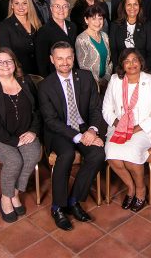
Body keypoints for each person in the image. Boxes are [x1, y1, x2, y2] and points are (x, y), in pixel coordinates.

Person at [38, 41, 106, 231]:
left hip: (85, 127)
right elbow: (51, 120)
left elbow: (95, 108)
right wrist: (79, 136)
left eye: (68, 57)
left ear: (74, 57)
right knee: (66, 154)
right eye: (60, 58)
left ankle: (74, 200)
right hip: (59, 131)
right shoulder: (46, 86)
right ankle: (57, 207)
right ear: (52, 60)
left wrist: (92, 130)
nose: (65, 62)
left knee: (98, 154)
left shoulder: (85, 77)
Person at [0, 48, 42, 223]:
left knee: (33, 154)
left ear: (15, 64)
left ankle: (13, 194)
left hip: (25, 132)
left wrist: (33, 131)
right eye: (0, 62)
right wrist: (13, 141)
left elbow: (37, 111)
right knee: (14, 160)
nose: (5, 65)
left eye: (9, 61)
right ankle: (6, 200)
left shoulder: (26, 81)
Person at [102, 48, 151, 212]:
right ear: (122, 65)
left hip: (145, 128)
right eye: (127, 61)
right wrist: (118, 124)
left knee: (130, 156)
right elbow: (106, 109)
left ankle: (141, 190)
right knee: (112, 154)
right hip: (119, 127)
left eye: (135, 60)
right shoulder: (115, 80)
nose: (131, 64)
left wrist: (136, 128)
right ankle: (130, 187)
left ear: (140, 62)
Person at [0, 0, 42, 75]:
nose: (21, 7)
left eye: (24, 3)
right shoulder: (5, 25)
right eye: (17, 3)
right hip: (19, 74)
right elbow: (5, 53)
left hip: (39, 72)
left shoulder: (37, 23)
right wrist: (17, 70)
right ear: (12, 5)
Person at [109, 0, 151, 72]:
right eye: (129, 4)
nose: (132, 7)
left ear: (140, 6)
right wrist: (119, 70)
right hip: (121, 71)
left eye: (135, 4)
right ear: (124, 6)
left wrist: (143, 71)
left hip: (143, 70)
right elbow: (113, 51)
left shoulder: (147, 25)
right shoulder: (115, 25)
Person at [35, 0, 78, 77]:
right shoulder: (44, 31)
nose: (61, 9)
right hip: (54, 76)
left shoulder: (72, 26)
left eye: (65, 6)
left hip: (72, 73)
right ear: (51, 8)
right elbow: (41, 62)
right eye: (57, 6)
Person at [75, 5, 112, 90]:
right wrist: (98, 82)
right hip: (90, 85)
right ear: (86, 20)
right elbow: (83, 66)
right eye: (93, 19)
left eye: (100, 18)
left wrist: (106, 78)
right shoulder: (81, 39)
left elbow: (110, 60)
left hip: (106, 83)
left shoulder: (105, 36)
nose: (98, 22)